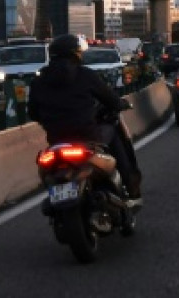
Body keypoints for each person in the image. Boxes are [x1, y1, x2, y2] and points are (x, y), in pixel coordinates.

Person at [27, 34, 143, 204]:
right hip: (87, 137)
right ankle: (130, 185)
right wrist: (120, 104)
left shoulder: (38, 81)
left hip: (57, 141)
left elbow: (33, 113)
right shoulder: (85, 75)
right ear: (75, 54)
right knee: (113, 129)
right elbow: (110, 99)